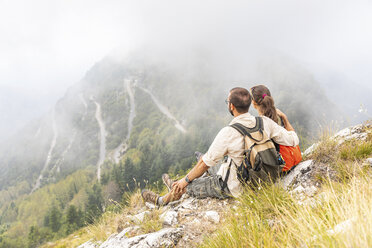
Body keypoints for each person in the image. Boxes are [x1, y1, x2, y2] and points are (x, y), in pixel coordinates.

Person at [141, 87, 299, 206]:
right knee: (206, 160)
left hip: (235, 186)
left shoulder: (229, 132)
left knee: (189, 184)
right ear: (249, 105)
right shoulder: (265, 122)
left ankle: (161, 201)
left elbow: (204, 165)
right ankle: (184, 177)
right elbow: (294, 140)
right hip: (263, 176)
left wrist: (185, 180)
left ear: (231, 106)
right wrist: (284, 118)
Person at [250, 85, 302, 173]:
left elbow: (294, 140)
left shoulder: (262, 122)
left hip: (282, 167)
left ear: (254, 102)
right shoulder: (273, 118)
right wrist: (284, 118)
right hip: (288, 161)